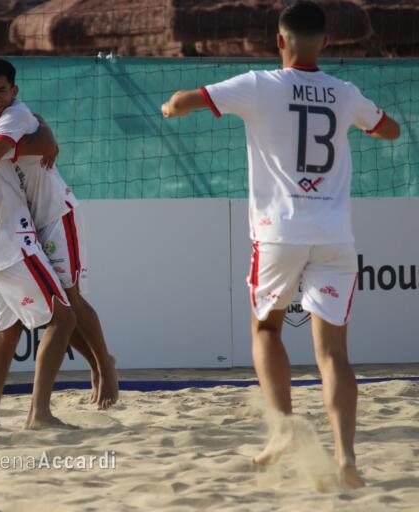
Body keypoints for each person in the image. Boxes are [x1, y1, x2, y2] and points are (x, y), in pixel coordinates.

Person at [161, 0, 399, 488]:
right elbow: (389, 129)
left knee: (266, 330)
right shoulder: (343, 91)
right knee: (334, 354)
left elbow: (187, 100)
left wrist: (171, 106)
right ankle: (347, 458)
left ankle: (284, 428)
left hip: (278, 233)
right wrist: (362, 121)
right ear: (326, 43)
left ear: (279, 41)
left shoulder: (258, 85)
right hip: (333, 235)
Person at [0, 58, 119, 410]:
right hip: (21, 232)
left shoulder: (8, 118)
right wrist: (45, 137)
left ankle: (104, 366)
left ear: (13, 92)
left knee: (69, 302)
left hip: (54, 214)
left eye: (0, 90)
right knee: (62, 310)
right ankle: (92, 370)